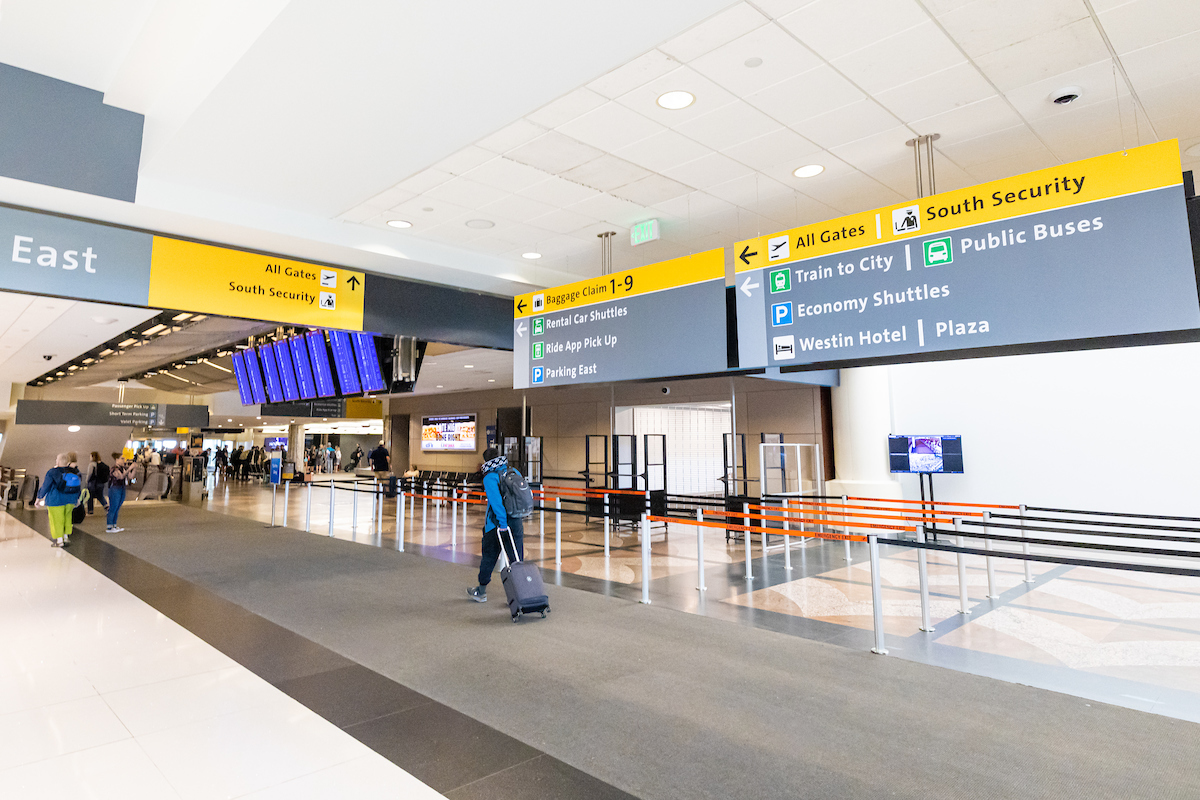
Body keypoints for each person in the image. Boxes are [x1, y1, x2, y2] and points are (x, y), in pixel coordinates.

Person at [467, 448, 524, 602]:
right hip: (516, 521)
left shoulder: (490, 477)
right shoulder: (514, 472)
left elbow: (496, 503)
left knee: (489, 556)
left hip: (496, 525)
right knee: (516, 558)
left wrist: (502, 524)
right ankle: (521, 594)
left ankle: (481, 591)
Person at [37, 453, 81, 548]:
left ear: (58, 461)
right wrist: (77, 498)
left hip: (56, 500)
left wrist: (39, 497)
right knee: (67, 518)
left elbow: (46, 486)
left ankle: (59, 540)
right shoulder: (75, 472)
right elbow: (78, 486)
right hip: (71, 499)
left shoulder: (52, 472)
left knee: (56, 520)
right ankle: (66, 537)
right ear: (68, 462)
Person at [106, 456, 131, 533]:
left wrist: (133, 469)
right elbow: (120, 476)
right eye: (122, 458)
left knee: (117, 507)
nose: (123, 460)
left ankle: (114, 525)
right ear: (116, 460)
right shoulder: (114, 469)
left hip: (121, 487)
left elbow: (130, 476)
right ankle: (109, 526)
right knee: (113, 506)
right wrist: (129, 469)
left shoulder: (122, 468)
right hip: (115, 488)